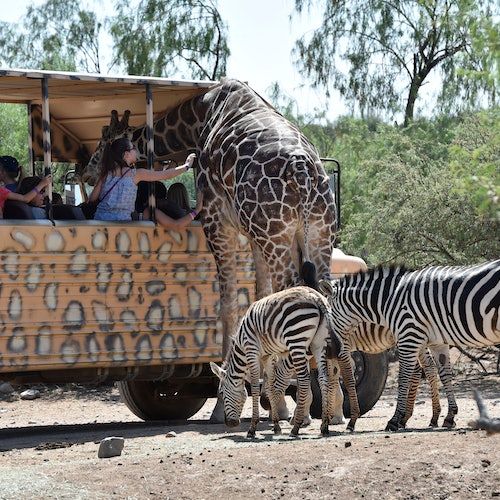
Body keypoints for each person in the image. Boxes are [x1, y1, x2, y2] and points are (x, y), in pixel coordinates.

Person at [88, 138, 196, 221]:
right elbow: (165, 175)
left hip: (100, 222)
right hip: (122, 225)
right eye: (133, 148)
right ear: (126, 154)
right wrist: (185, 166)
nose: (135, 150)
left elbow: (92, 198)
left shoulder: (106, 174)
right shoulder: (136, 174)